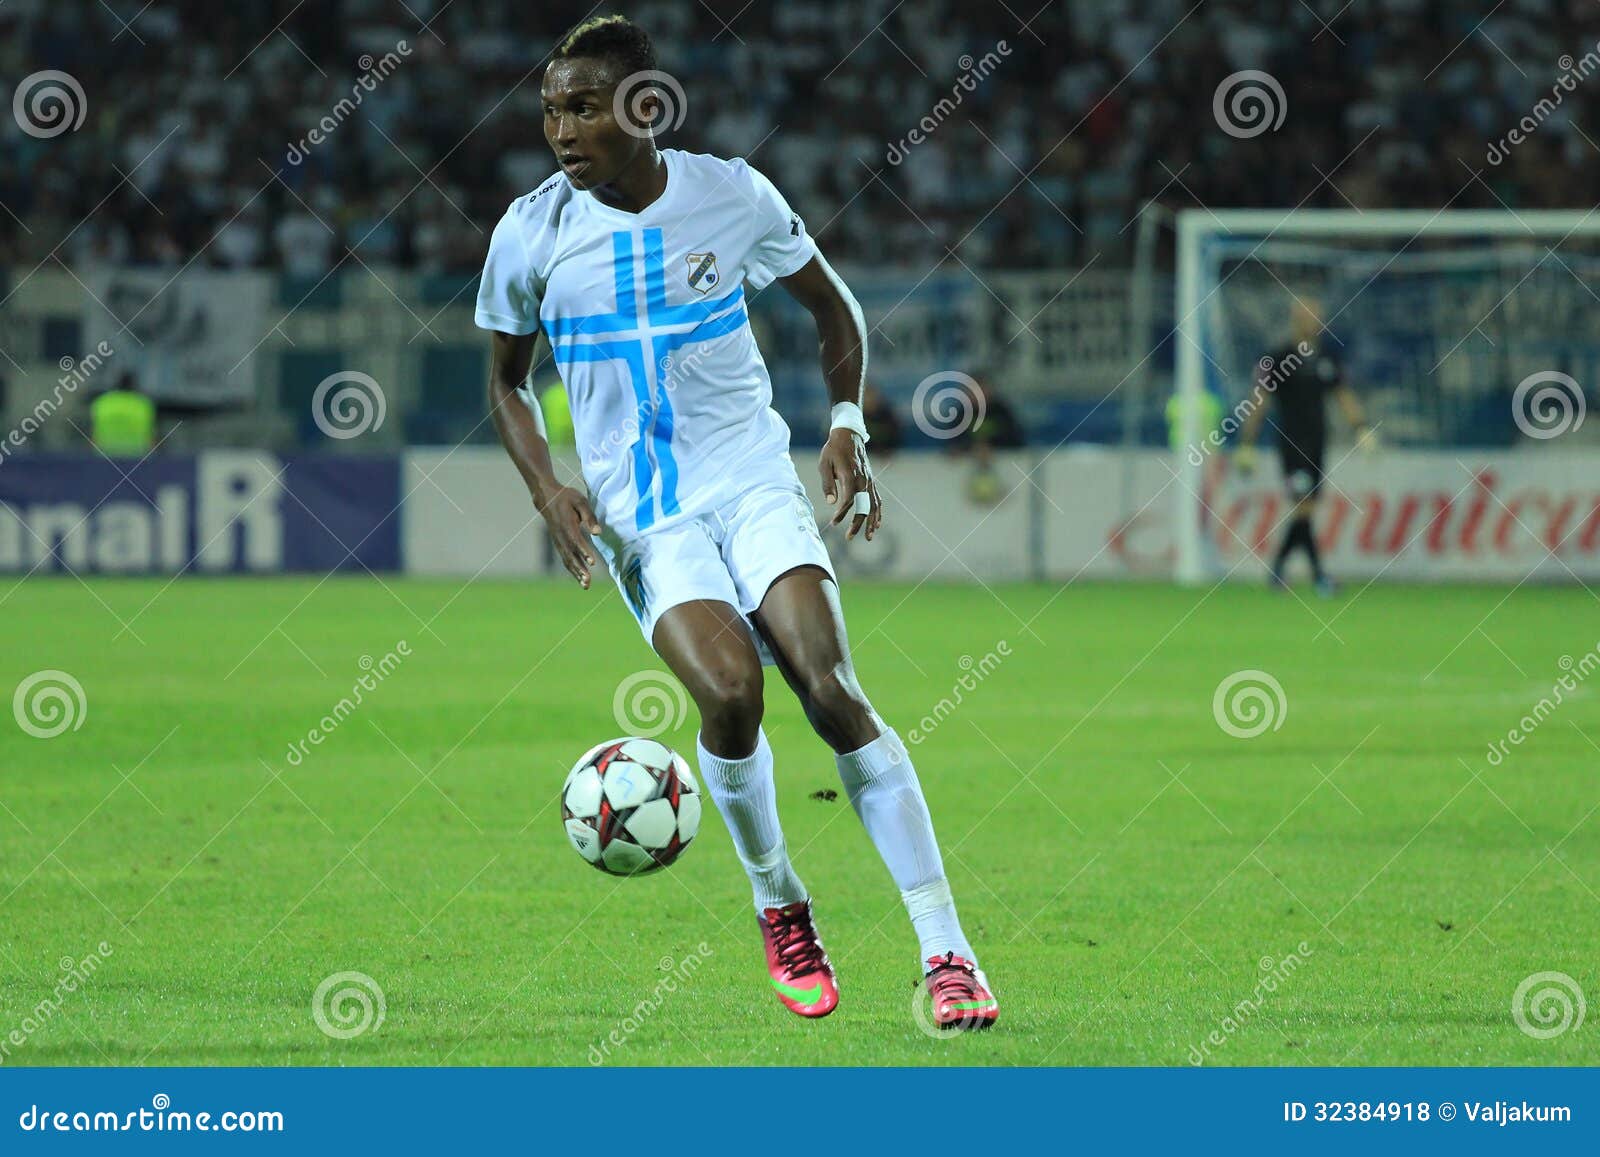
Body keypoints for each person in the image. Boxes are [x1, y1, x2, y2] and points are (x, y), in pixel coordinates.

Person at [474, 16, 996, 1030]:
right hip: (644, 514)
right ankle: (780, 900)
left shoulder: (731, 195)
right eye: (549, 109)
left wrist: (845, 422)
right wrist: (547, 485)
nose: (561, 129)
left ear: (643, 109)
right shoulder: (530, 232)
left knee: (832, 688)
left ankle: (948, 951)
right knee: (730, 692)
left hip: (751, 477)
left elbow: (833, 310)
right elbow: (504, 381)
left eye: (583, 107)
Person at [1236, 298, 1376, 596]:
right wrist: (1247, 443)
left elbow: (1343, 395)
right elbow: (1259, 401)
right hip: (1290, 444)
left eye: (1319, 315)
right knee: (1303, 507)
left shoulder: (1327, 358)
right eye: (1310, 315)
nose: (1316, 321)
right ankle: (1318, 576)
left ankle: (1278, 569)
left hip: (1317, 445)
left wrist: (1361, 427)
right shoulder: (1277, 358)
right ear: (1296, 318)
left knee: (1307, 508)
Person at [90, 372, 156, 457]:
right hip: (136, 459)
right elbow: (152, 440)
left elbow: (92, 438)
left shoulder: (101, 403)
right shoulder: (144, 405)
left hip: (104, 458)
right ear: (134, 386)